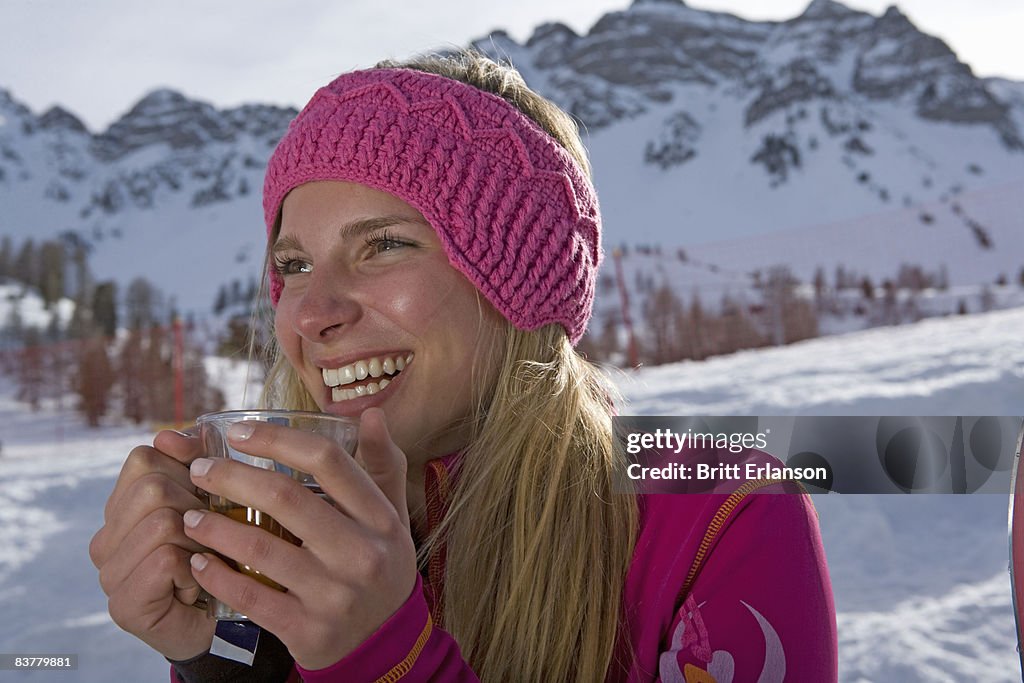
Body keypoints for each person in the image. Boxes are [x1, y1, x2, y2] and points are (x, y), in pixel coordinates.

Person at [90, 51, 837, 682]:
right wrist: (222, 657)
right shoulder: (284, 543)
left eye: (383, 245)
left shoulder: (721, 511)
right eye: (292, 263)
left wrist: (381, 654)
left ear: (519, 279)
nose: (312, 312)